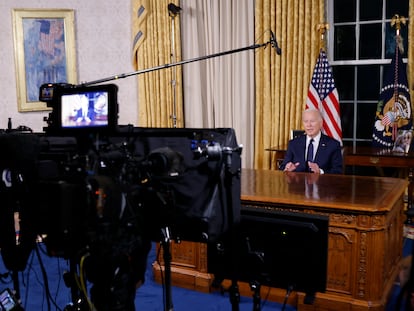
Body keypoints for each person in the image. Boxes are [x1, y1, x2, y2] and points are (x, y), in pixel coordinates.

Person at [279, 108, 343, 174]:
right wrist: (287, 169)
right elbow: (283, 166)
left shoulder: (333, 145)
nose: (309, 125)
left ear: (321, 123)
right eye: (306, 121)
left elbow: (338, 172)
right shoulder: (293, 144)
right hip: (298, 183)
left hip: (322, 183)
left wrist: (320, 171)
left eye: (312, 121)